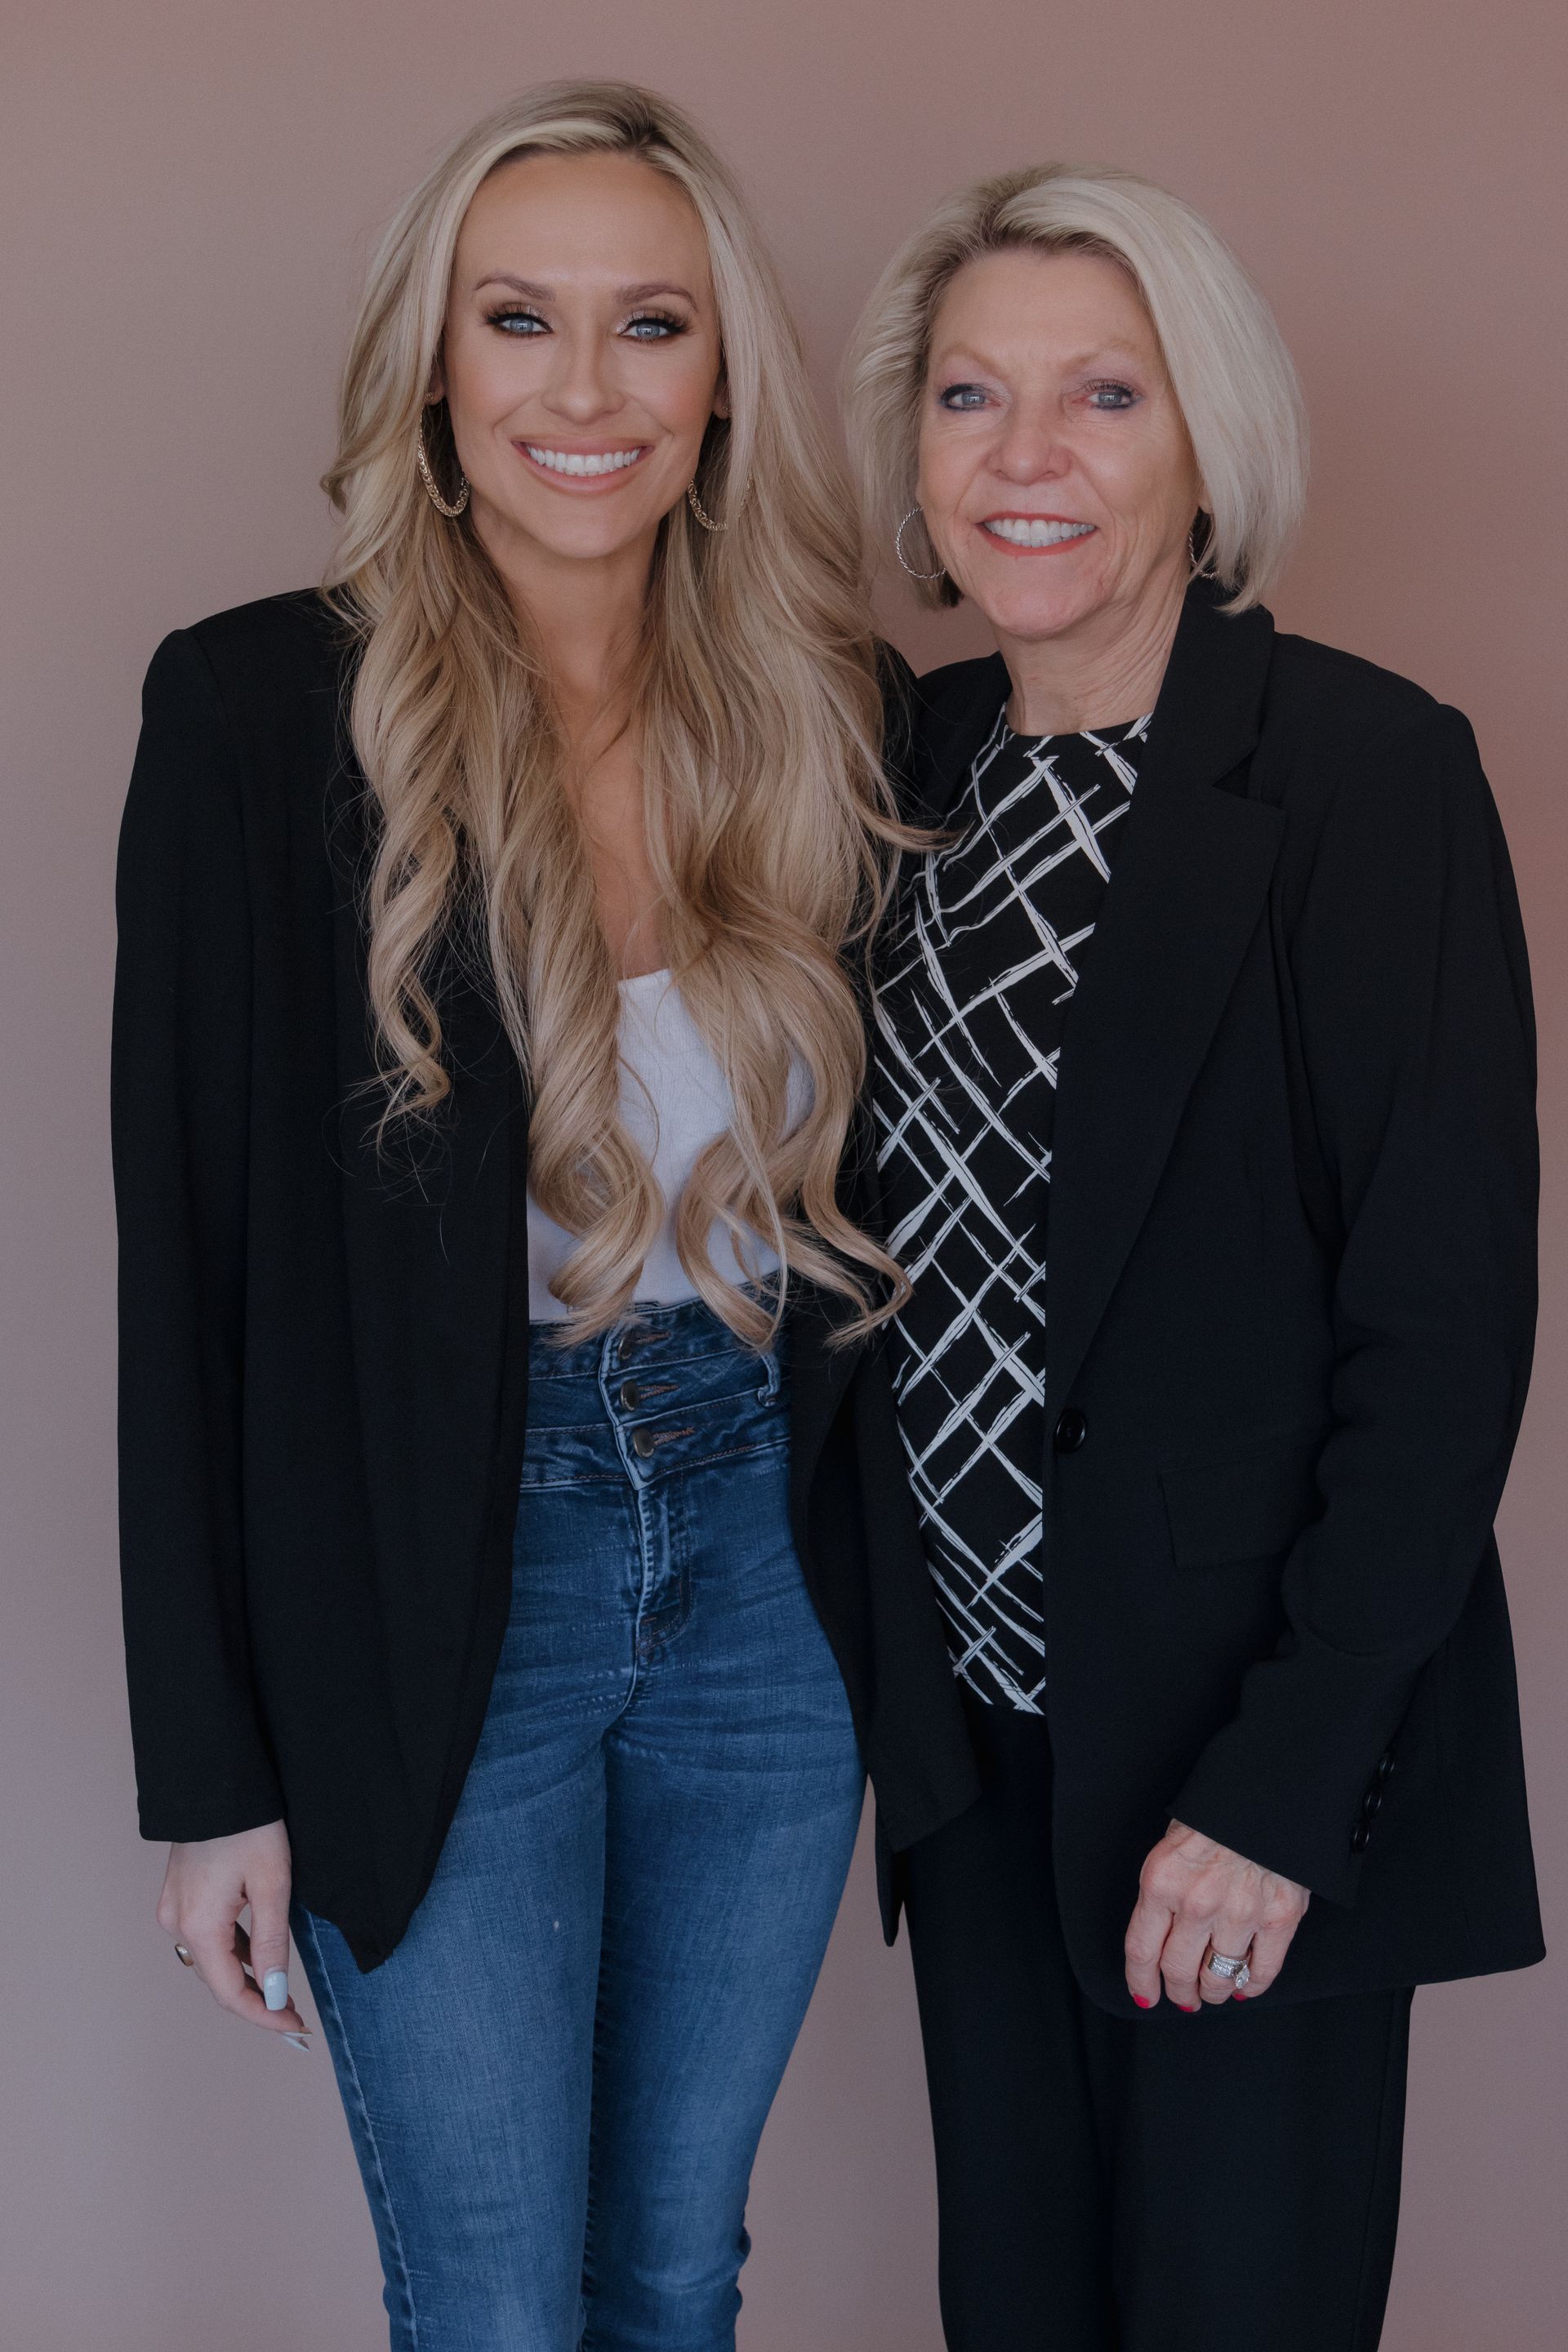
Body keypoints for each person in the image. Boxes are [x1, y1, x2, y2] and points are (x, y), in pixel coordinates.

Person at [112, 80, 926, 2352]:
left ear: (725, 375)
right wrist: (213, 1782)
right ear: (434, 365)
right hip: (433, 1574)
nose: (585, 392)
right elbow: (177, 1277)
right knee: (494, 2310)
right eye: (522, 321)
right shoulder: (259, 713)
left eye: (650, 324)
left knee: (675, 2276)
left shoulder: (824, 708)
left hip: (762, 1563)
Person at [839, 164, 1543, 2350]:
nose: (1023, 457)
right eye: (970, 394)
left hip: (1238, 1767)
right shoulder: (902, 769)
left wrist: (1279, 1792)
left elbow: (1439, 1339)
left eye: (1102, 396)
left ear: (1205, 441)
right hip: (972, 1761)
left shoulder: (1358, 771)